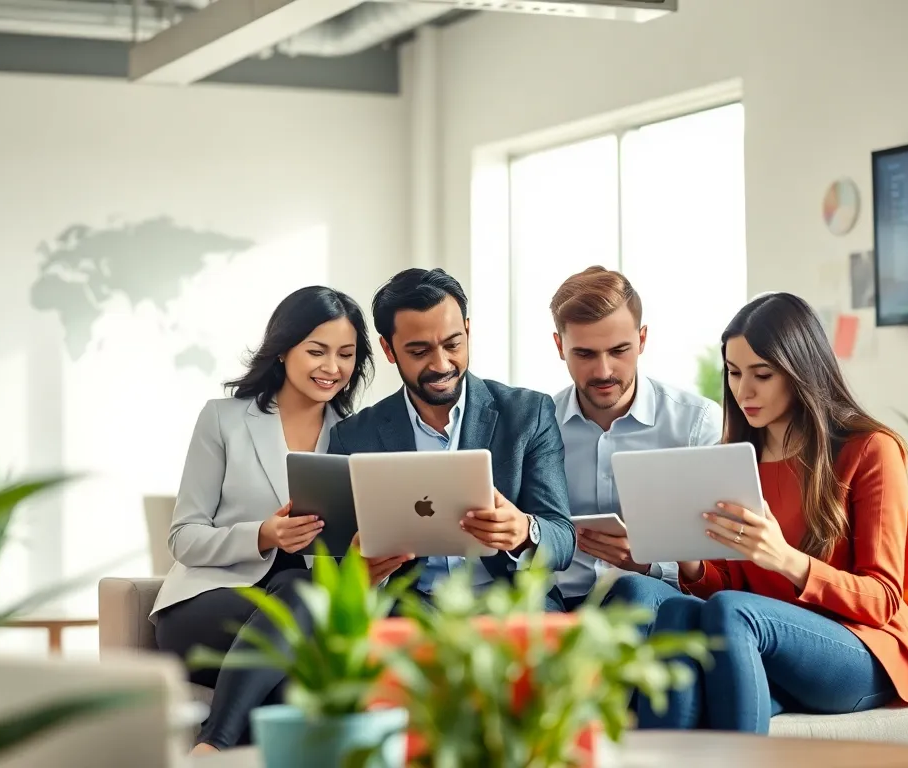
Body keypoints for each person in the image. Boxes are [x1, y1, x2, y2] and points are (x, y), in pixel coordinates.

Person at [607, 291, 908, 733]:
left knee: (733, 612)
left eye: (762, 375)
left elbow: (882, 599)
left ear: (801, 370)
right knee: (673, 612)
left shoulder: (870, 449)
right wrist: (685, 557)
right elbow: (728, 584)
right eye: (733, 373)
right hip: (765, 641)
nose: (743, 391)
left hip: (866, 648)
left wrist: (785, 558)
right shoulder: (733, 457)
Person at [149, 285, 375, 754]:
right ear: (283, 349)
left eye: (346, 354)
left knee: (296, 652)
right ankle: (215, 746)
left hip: (297, 623)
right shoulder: (223, 420)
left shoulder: (357, 435)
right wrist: (263, 535)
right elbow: (183, 537)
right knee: (299, 603)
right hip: (207, 606)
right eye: (317, 351)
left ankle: (211, 753)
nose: (332, 367)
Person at [329, 267, 576, 606]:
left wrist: (524, 531)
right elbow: (335, 567)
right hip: (411, 608)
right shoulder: (353, 438)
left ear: (468, 331)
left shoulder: (528, 414)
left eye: (453, 344)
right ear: (389, 350)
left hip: (512, 603)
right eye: (419, 352)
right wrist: (359, 574)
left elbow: (562, 539)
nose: (441, 364)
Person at [547, 266, 721, 611]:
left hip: (654, 600)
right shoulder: (540, 424)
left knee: (635, 591)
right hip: (559, 602)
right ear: (559, 346)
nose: (603, 371)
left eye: (619, 350)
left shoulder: (695, 423)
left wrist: (650, 563)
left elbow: (721, 560)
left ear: (642, 340)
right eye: (585, 354)